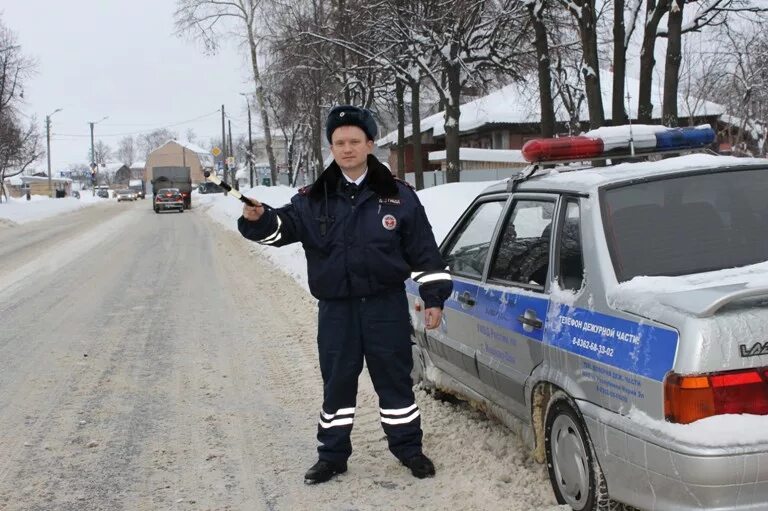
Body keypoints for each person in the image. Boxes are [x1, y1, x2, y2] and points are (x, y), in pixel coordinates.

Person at [238, 105, 453, 485]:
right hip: (337, 310)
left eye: (355, 141)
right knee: (337, 382)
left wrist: (433, 296)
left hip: (385, 306)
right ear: (331, 147)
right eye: (339, 142)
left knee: (394, 381)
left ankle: (408, 449)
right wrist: (259, 220)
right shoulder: (312, 198)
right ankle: (332, 455)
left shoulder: (399, 197)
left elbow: (424, 252)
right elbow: (279, 231)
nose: (347, 148)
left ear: (370, 144)